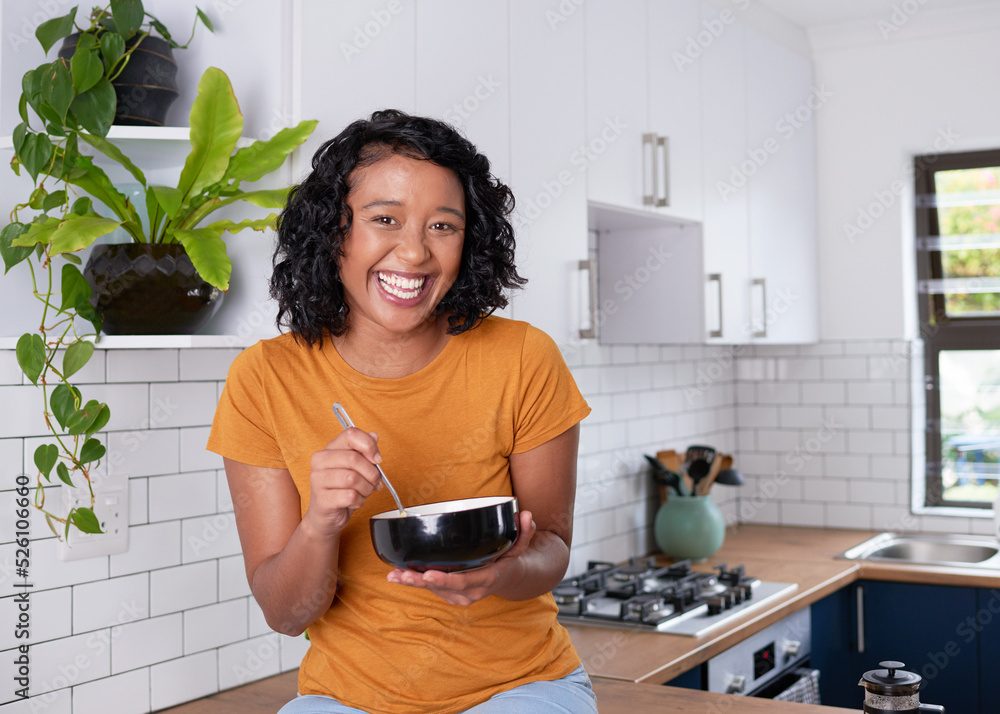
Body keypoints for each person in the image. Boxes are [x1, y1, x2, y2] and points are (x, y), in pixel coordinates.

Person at [208, 109, 597, 714]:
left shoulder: (524, 359)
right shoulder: (264, 379)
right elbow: (286, 614)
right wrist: (321, 524)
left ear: (470, 241)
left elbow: (553, 548)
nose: (414, 252)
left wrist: (500, 574)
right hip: (344, 699)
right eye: (384, 218)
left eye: (443, 225)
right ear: (332, 230)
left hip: (520, 688)